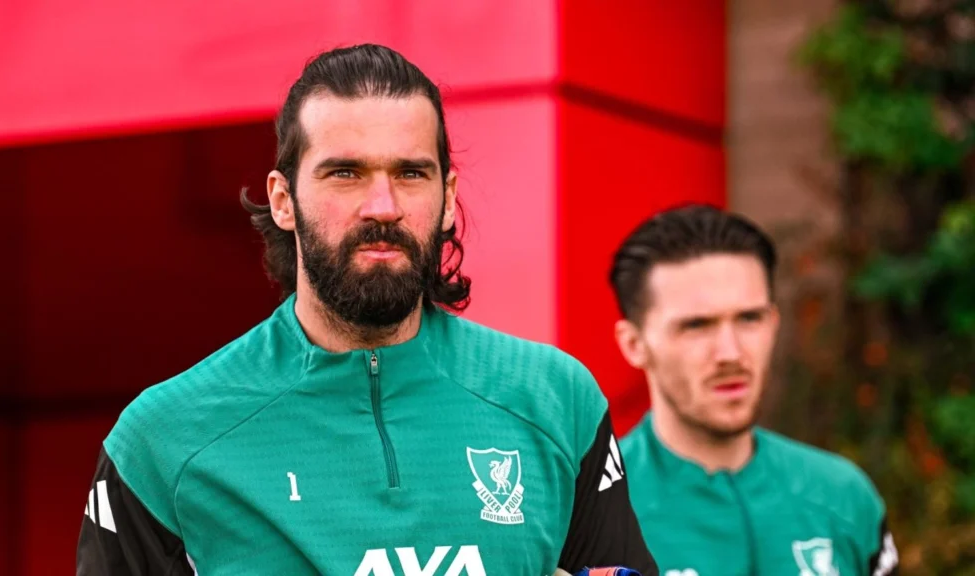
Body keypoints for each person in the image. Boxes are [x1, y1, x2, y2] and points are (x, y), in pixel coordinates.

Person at [76, 44, 658, 576]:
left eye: (410, 173)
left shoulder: (555, 399)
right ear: (283, 200)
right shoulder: (164, 439)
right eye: (345, 173)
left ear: (448, 198)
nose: (383, 206)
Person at [608, 205, 899, 576]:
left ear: (773, 323)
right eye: (696, 326)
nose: (730, 353)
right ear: (634, 344)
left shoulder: (843, 496)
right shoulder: (589, 517)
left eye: (749, 318)